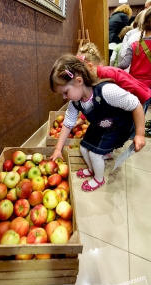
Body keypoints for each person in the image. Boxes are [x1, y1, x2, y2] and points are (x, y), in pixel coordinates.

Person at [49, 53, 145, 192]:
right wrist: (58, 149)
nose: (64, 97)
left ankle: (99, 179)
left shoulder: (107, 91)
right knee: (83, 148)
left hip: (118, 128)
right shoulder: (75, 102)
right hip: (100, 126)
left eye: (65, 92)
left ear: (78, 81)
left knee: (95, 154)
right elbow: (68, 123)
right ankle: (92, 169)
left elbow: (136, 105)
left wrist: (140, 134)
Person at [118, 7, 151, 118]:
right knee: (141, 113)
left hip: (133, 84)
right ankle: (134, 134)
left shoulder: (134, 44)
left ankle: (129, 133)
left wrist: (114, 69)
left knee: (132, 109)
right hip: (148, 86)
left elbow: (124, 64)